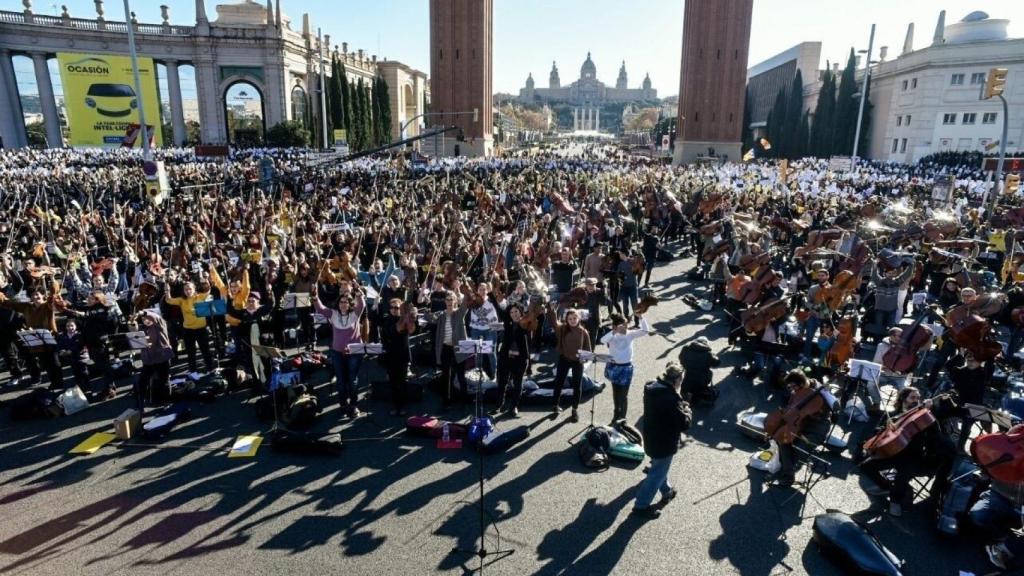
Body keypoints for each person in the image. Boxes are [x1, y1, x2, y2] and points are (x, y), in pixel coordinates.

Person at [858, 386, 957, 517]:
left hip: (914, 456)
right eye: (912, 397)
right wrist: (885, 427)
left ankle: (895, 500)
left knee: (904, 472)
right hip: (892, 452)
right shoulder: (894, 414)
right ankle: (887, 487)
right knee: (865, 465)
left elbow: (936, 435)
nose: (916, 400)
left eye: (918, 397)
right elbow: (878, 432)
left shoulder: (924, 416)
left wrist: (931, 412)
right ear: (903, 399)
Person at [631, 362, 692, 519]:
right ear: (677, 379)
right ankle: (640, 506)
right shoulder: (670, 399)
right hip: (664, 442)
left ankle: (667, 491)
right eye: (681, 380)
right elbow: (684, 423)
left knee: (659, 468)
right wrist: (687, 410)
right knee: (656, 474)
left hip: (651, 437)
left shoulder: (652, 388)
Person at [968, 424, 1024, 570]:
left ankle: (1010, 544)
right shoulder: (1017, 433)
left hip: (1022, 507)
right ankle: (1002, 538)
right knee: (977, 515)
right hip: (1000, 495)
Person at [774, 369, 836, 487]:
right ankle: (788, 473)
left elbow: (832, 410)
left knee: (799, 449)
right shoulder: (797, 391)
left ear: (802, 384)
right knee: (782, 439)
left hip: (817, 427)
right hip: (799, 423)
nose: (793, 390)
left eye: (794, 387)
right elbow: (791, 405)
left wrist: (816, 412)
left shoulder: (822, 392)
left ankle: (788, 469)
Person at [313, 283, 365, 418]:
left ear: (350, 304)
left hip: (354, 353)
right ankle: (343, 404)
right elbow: (320, 308)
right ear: (338, 303)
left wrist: (357, 291)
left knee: (352, 380)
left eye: (346, 302)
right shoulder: (333, 314)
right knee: (341, 381)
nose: (343, 304)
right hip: (336, 353)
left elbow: (362, 304)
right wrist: (314, 295)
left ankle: (353, 405)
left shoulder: (355, 314)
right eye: (341, 302)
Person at [600, 311, 650, 423]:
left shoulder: (630, 334)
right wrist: (614, 331)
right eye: (623, 325)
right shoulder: (612, 336)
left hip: (626, 368)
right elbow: (602, 340)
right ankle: (616, 414)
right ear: (615, 326)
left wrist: (641, 317)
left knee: (623, 395)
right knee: (616, 393)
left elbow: (645, 330)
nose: (625, 328)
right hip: (614, 367)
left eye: (626, 325)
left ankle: (622, 418)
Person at [548, 305, 592, 423]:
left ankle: (574, 409)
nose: (572, 321)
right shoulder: (563, 328)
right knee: (559, 382)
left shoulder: (584, 332)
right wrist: (552, 311)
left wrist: (584, 359)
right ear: (567, 320)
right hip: (564, 358)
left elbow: (588, 350)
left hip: (577, 362)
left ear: (578, 319)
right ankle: (555, 406)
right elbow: (554, 322)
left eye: (574, 318)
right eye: (570, 319)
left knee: (577, 385)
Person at [163, 277, 215, 373]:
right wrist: (167, 290)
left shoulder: (200, 297)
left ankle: (210, 368)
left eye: (190, 289)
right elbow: (168, 300)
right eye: (186, 289)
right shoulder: (181, 300)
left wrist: (206, 280)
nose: (188, 291)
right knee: (191, 352)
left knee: (205, 350)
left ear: (194, 289)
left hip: (201, 329)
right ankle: (193, 371)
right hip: (188, 330)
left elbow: (208, 290)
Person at [490, 293, 530, 417]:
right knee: (502, 383)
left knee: (518, 384)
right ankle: (498, 406)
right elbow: (498, 308)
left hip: (520, 359)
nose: (514, 314)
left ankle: (513, 407)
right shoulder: (507, 322)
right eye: (511, 312)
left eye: (516, 311)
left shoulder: (526, 323)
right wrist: (491, 294)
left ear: (521, 312)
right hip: (505, 358)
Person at [434, 288, 470, 410]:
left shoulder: (459, 313)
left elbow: (466, 303)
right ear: (445, 301)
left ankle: (465, 401)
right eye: (447, 299)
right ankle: (446, 401)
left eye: (452, 299)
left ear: (455, 301)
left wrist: (466, 289)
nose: (449, 301)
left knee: (460, 376)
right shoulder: (441, 315)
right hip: (445, 348)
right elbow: (430, 319)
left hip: (458, 348)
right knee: (446, 376)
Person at [134, 309, 173, 414]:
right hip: (149, 360)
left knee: (164, 381)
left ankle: (167, 402)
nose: (146, 320)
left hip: (162, 357)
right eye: (143, 319)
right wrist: (132, 322)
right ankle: (140, 405)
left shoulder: (160, 324)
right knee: (142, 382)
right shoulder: (143, 329)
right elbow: (134, 333)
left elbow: (155, 317)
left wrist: (144, 313)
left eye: (147, 318)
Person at [379, 298, 414, 416]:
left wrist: (411, 316)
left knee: (402, 382)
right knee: (393, 382)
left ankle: (402, 406)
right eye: (392, 308)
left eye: (397, 308)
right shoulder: (386, 320)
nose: (394, 310)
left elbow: (412, 329)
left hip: (403, 355)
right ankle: (395, 406)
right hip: (390, 355)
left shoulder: (405, 318)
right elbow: (389, 333)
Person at [678, 336, 721, 404]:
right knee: (708, 375)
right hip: (702, 378)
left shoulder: (685, 348)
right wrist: (714, 356)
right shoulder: (708, 354)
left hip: (688, 377)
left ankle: (693, 397)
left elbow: (681, 359)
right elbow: (717, 363)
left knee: (687, 390)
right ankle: (700, 396)